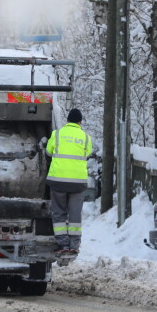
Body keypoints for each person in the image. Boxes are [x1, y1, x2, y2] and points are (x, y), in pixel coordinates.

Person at [45, 108, 92, 255]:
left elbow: (48, 152)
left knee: (59, 213)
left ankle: (63, 244)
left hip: (58, 181)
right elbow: (88, 154)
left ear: (67, 120)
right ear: (80, 122)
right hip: (78, 183)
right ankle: (74, 246)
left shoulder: (57, 134)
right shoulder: (86, 138)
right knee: (75, 214)